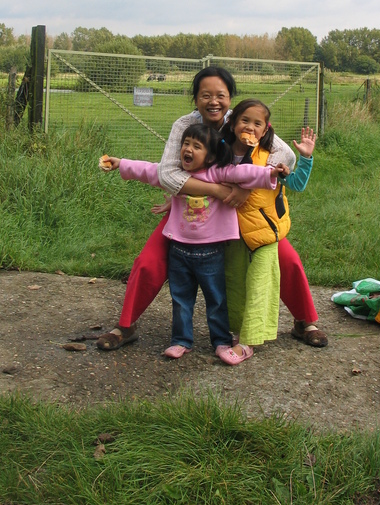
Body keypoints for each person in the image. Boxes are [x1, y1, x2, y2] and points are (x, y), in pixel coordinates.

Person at [96, 65, 328, 351]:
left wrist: (246, 187)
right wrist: (217, 190)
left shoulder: (243, 121)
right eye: (205, 95)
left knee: (285, 257)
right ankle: (125, 326)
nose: (213, 101)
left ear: (230, 97)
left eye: (221, 95)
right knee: (149, 261)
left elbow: (286, 155)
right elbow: (168, 174)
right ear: (196, 99)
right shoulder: (185, 126)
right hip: (194, 211)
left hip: (242, 214)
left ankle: (305, 321)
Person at [100, 124, 283, 360]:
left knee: (216, 300)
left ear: (211, 155)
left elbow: (244, 173)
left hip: (212, 252)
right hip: (179, 250)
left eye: (197, 146)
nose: (188, 149)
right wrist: (121, 163)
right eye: (186, 144)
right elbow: (148, 171)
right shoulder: (177, 177)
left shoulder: (219, 172)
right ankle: (181, 340)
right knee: (181, 299)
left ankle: (221, 340)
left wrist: (270, 174)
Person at [220, 99, 316, 364]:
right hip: (233, 234)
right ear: (232, 123)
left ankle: (248, 342)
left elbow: (295, 184)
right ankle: (235, 333)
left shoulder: (271, 158)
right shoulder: (221, 152)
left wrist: (306, 157)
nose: (249, 127)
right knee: (235, 284)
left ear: (265, 131)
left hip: (265, 233)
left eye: (257, 123)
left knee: (261, 284)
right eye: (244, 121)